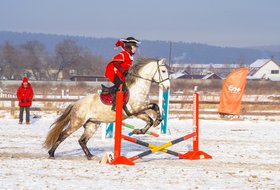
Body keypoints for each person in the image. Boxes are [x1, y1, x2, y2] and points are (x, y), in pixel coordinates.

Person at [105, 37, 140, 111]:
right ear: (129, 47)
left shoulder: (129, 56)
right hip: (112, 72)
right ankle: (115, 104)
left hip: (120, 74)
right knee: (120, 85)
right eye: (134, 47)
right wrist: (124, 71)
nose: (135, 49)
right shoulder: (123, 54)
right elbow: (115, 63)